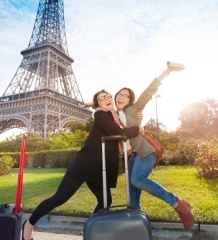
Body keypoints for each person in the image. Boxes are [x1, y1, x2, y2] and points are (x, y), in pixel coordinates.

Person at [22, 90, 141, 240]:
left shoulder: (113, 115)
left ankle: (91, 230)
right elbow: (117, 132)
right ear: (98, 104)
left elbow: (117, 119)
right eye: (101, 98)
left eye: (108, 96)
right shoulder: (101, 115)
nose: (106, 99)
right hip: (84, 164)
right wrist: (138, 129)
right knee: (60, 198)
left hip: (98, 167)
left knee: (105, 201)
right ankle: (29, 224)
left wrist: (98, 102)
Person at [114, 68, 195, 231]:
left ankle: (178, 203)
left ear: (130, 99)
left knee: (136, 179)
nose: (121, 97)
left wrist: (165, 73)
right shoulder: (115, 116)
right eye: (119, 94)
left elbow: (147, 93)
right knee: (132, 200)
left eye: (126, 95)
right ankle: (139, 228)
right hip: (131, 158)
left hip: (145, 152)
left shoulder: (134, 109)